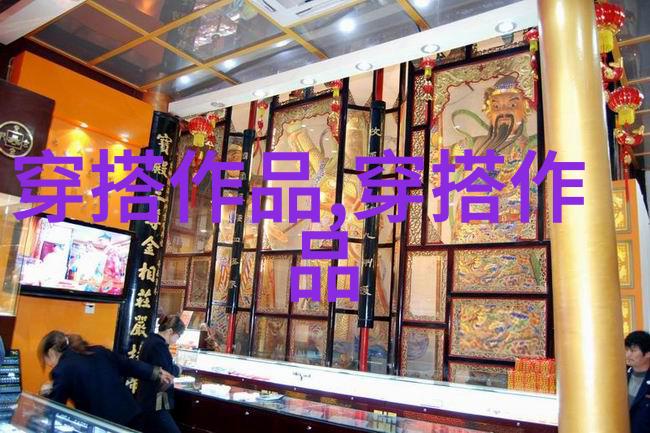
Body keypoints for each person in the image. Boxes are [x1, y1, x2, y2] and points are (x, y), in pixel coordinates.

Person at [38, 330, 173, 429]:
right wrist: (156, 372)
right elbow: (128, 364)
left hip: (105, 425)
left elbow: (55, 407)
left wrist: (46, 396)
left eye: (46, 360)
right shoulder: (98, 351)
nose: (49, 365)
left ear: (50, 353)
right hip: (131, 416)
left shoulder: (62, 369)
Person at [136, 315, 185, 433]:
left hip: (153, 396)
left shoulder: (151, 341)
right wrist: (178, 369)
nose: (176, 340)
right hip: (155, 398)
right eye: (178, 336)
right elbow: (166, 371)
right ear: (170, 331)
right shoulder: (159, 346)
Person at [625, 330, 650, 433]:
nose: (628, 355)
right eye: (627, 349)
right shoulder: (620, 376)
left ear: (648, 353)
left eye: (633, 350)